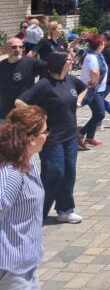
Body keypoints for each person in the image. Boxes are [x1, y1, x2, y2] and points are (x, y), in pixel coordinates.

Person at [16, 52, 88, 223]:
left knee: (69, 172)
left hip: (71, 135)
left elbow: (84, 88)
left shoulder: (71, 80)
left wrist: (78, 101)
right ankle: (38, 212)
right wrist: (39, 118)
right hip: (52, 137)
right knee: (54, 172)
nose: (72, 61)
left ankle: (65, 210)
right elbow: (19, 102)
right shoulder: (44, 84)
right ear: (59, 64)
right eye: (68, 60)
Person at [0, 105, 48, 287]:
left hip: (27, 260)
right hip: (10, 267)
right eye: (44, 132)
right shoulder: (11, 174)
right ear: (31, 139)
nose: (47, 135)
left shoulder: (28, 160)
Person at [0, 38, 46, 125]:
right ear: (6, 48)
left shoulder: (32, 63)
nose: (18, 49)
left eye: (21, 47)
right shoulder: (1, 65)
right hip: (5, 114)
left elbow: (51, 71)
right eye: (14, 47)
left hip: (25, 113)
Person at [77, 35, 108, 149]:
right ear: (99, 45)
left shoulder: (98, 55)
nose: (104, 44)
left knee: (96, 114)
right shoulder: (91, 57)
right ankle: (80, 134)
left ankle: (90, 137)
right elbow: (94, 72)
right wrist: (95, 82)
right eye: (102, 42)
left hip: (99, 89)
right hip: (93, 90)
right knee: (100, 114)